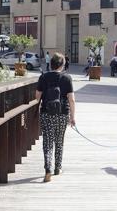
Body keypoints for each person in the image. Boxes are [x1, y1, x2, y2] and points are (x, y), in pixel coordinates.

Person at [35, 53, 76, 183]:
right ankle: (58, 168)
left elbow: (37, 96)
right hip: (62, 113)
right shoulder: (67, 78)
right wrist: (72, 117)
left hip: (47, 113)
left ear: (51, 64)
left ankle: (48, 168)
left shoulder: (44, 77)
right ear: (62, 65)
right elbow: (72, 100)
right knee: (59, 141)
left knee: (47, 141)